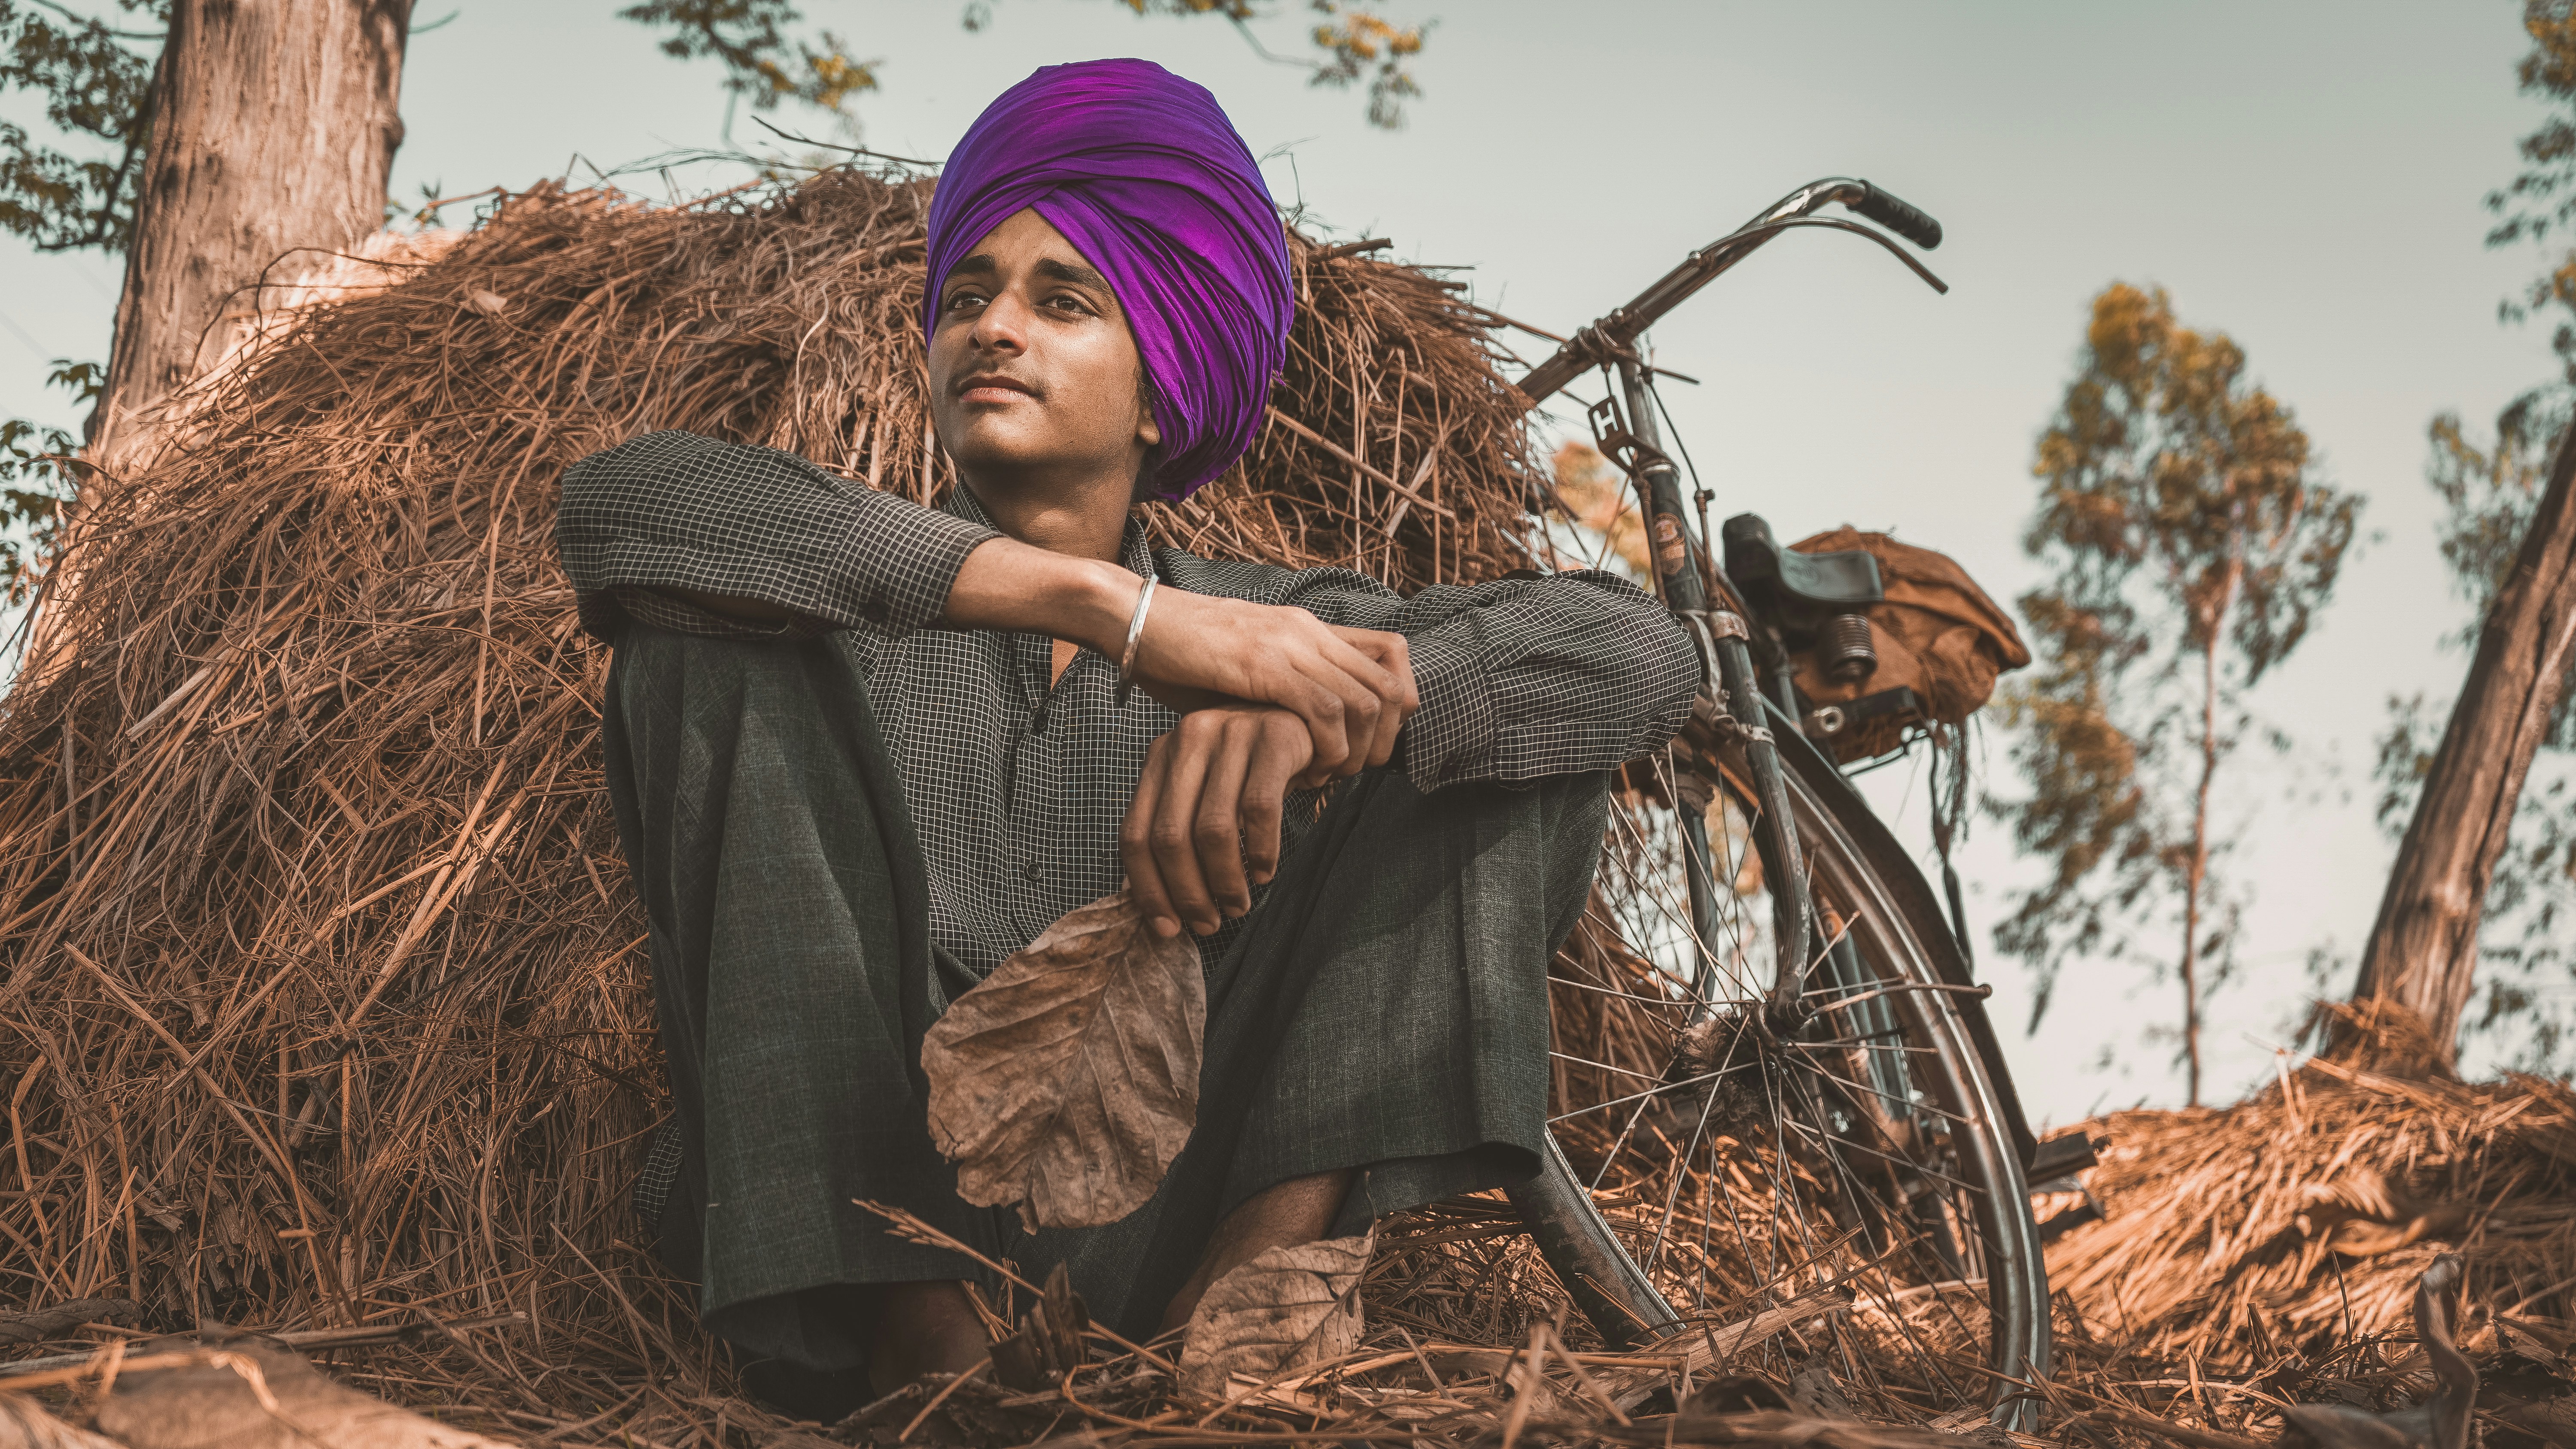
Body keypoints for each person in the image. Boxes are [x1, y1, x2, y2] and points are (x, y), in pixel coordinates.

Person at [556, 57, 1698, 1417]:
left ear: (1161, 395)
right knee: (695, 645)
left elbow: (1636, 654)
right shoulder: (838, 608)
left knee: (1492, 728)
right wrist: (1131, 616)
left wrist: (1320, 724)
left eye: (1063, 299)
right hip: (868, 1215)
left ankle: (1251, 1332)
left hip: (1184, 1209)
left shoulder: (1283, 627)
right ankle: (925, 1358)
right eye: (967, 296)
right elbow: (627, 503)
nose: (994, 328)